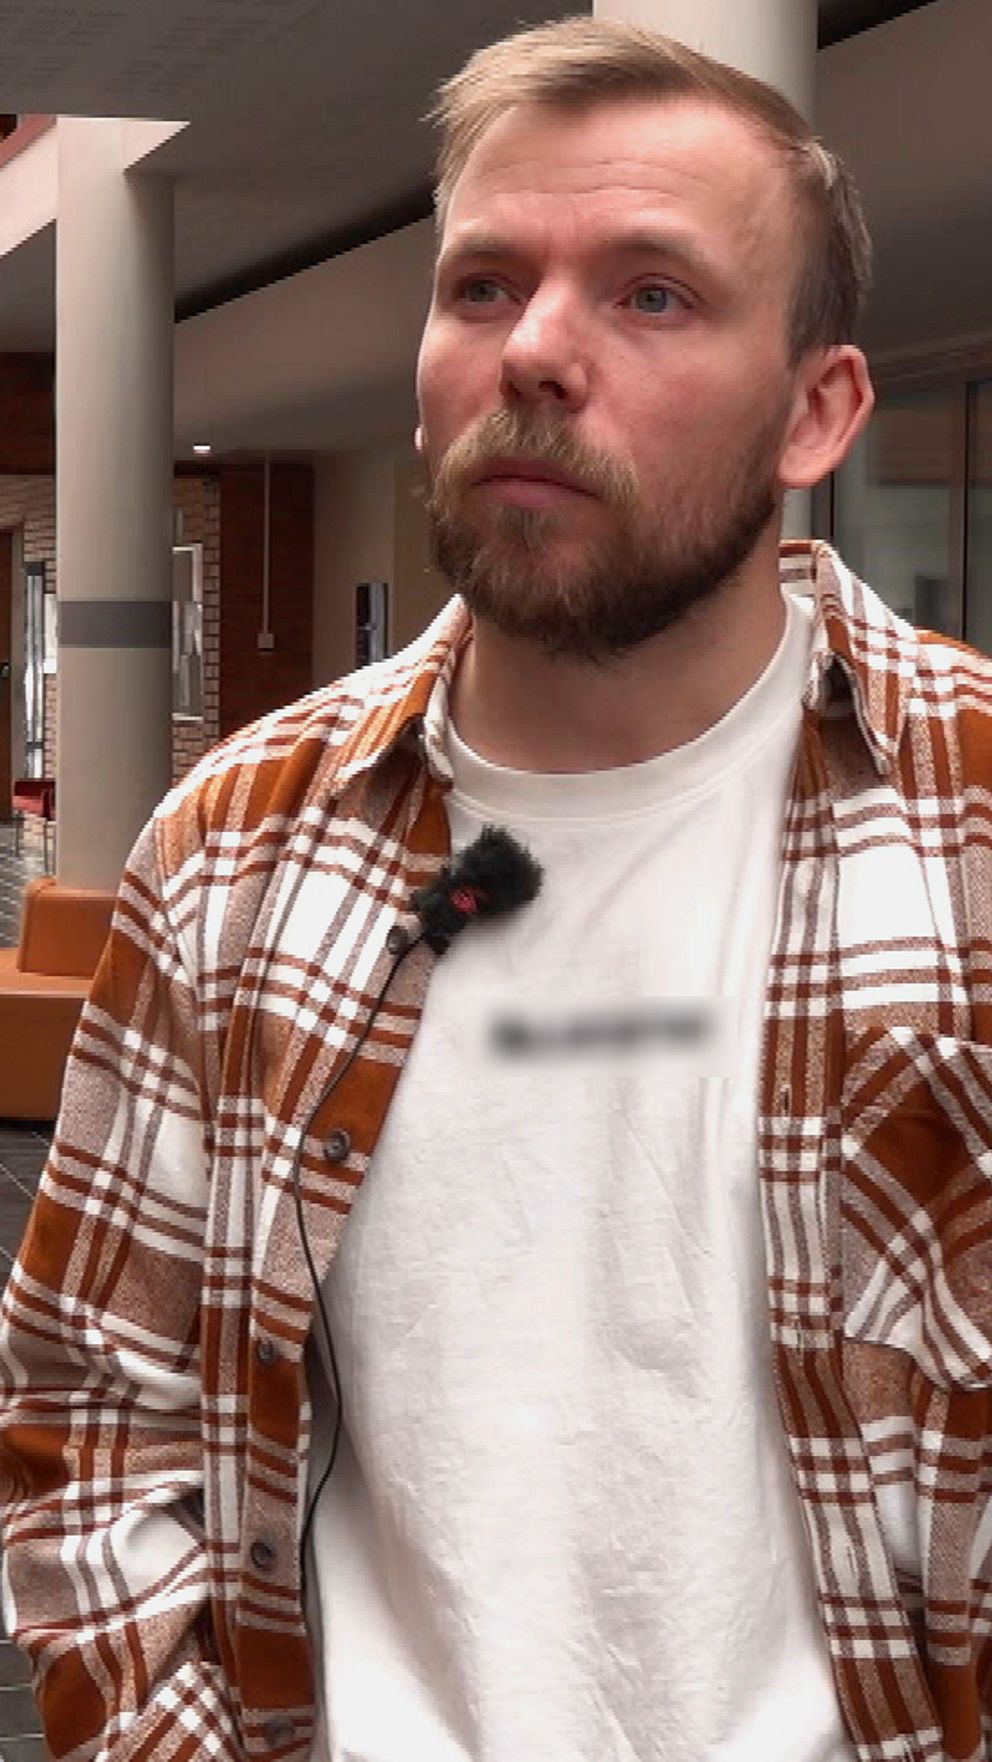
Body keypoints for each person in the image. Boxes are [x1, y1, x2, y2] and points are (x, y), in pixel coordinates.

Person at [1, 15, 990, 1762]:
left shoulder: (967, 822)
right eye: (482, 286)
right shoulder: (235, 849)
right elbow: (94, 1402)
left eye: (652, 294)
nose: (534, 349)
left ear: (817, 411)